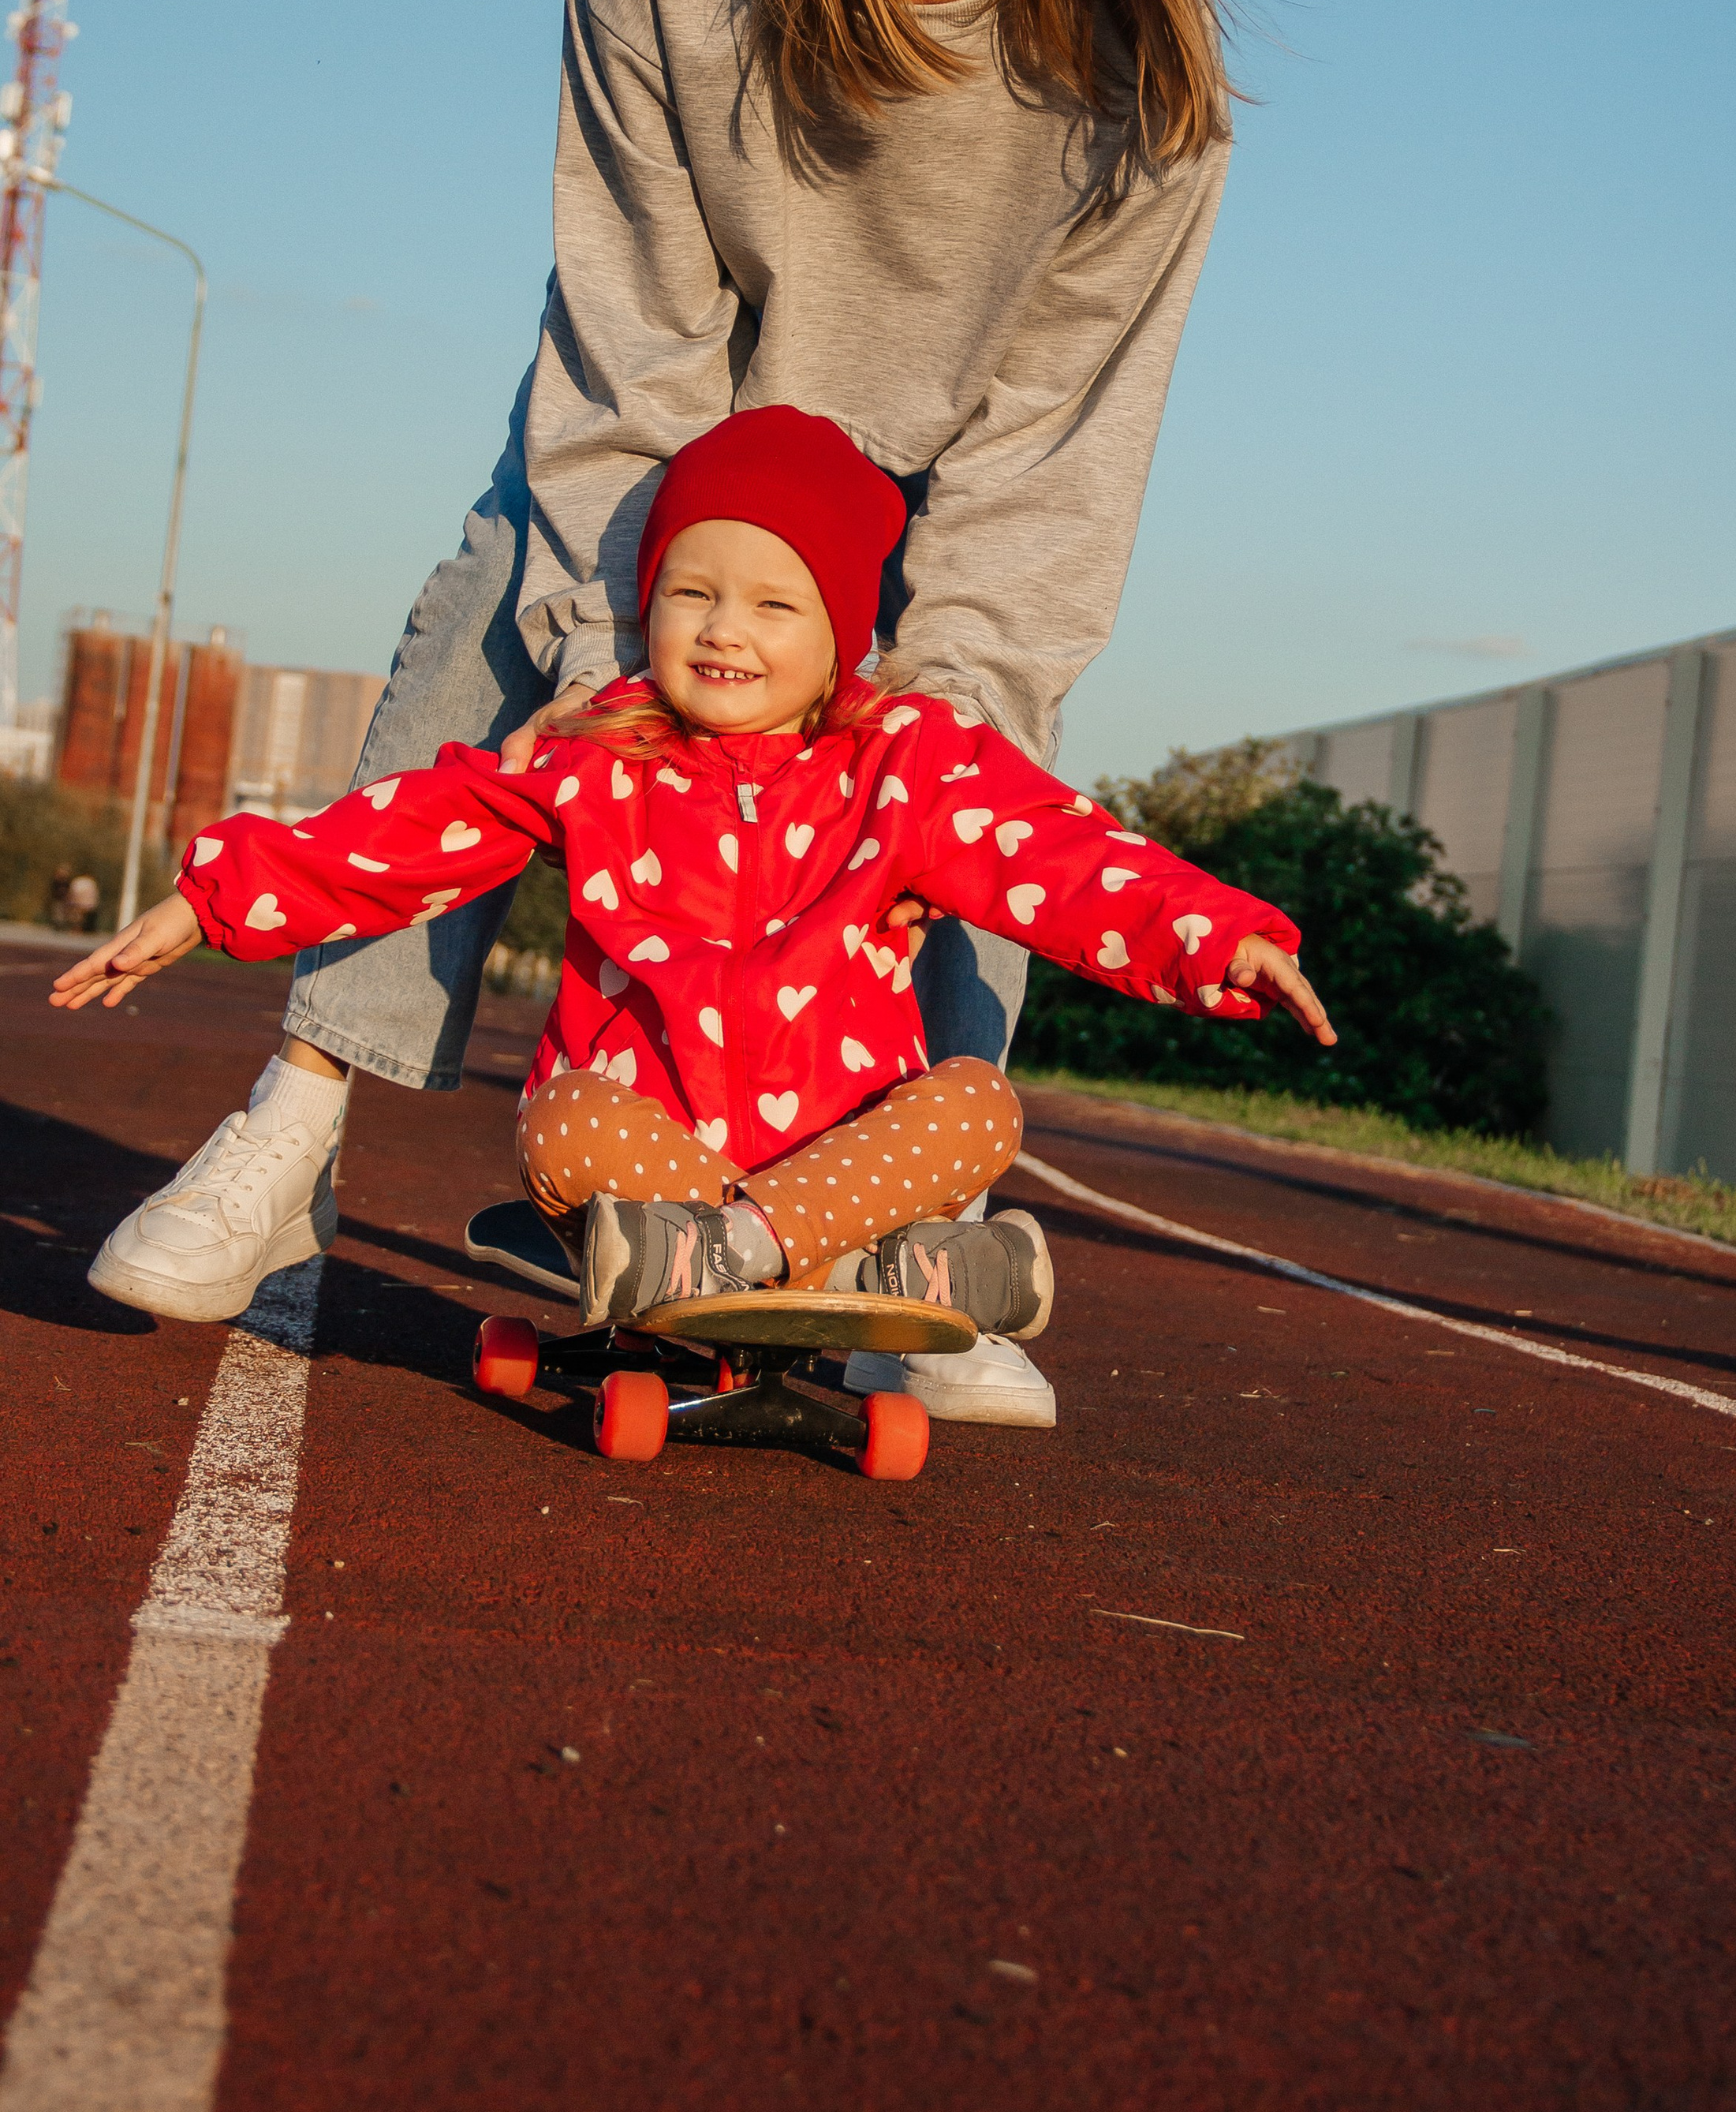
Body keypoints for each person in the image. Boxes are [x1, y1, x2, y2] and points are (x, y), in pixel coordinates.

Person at [82, 0, 1238, 1428]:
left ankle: (889, 1236)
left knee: (962, 773)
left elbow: (1046, 476)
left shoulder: (1140, 91)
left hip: (933, 496)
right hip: (681, 441)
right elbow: (627, 347)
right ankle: (293, 1129)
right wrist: (614, 659)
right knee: (493, 612)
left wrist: (915, 730)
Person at [54, 411, 1335, 1432]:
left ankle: (747, 1258)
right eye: (691, 592)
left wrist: (1225, 941)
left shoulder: (907, 769)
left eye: (775, 604)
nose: (725, 628)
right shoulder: (603, 754)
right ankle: (851, 1280)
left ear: (842, 634)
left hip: (829, 1172)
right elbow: (407, 833)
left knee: (978, 1106)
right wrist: (208, 897)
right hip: (655, 1165)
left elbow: (1070, 858)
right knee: (560, 1119)